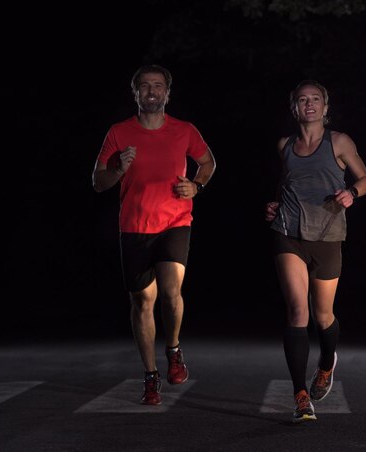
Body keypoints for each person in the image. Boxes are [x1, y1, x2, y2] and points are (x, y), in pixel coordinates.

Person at [92, 64, 216, 405]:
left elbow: (208, 163)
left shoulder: (184, 130)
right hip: (134, 227)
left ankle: (173, 349)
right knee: (142, 301)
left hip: (176, 221)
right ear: (135, 93)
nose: (151, 91)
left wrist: (197, 185)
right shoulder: (118, 133)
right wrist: (118, 167)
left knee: (171, 290)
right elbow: (98, 182)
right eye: (144, 86)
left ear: (167, 93)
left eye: (158, 86)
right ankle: (150, 376)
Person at [265, 80, 366, 422]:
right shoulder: (284, 145)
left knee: (323, 316)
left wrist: (352, 193)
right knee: (298, 312)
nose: (309, 105)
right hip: (288, 233)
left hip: (327, 236)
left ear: (325, 108)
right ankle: (299, 396)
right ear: (293, 107)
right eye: (302, 100)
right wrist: (275, 205)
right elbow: (288, 185)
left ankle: (326, 364)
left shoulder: (338, 141)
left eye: (315, 100)